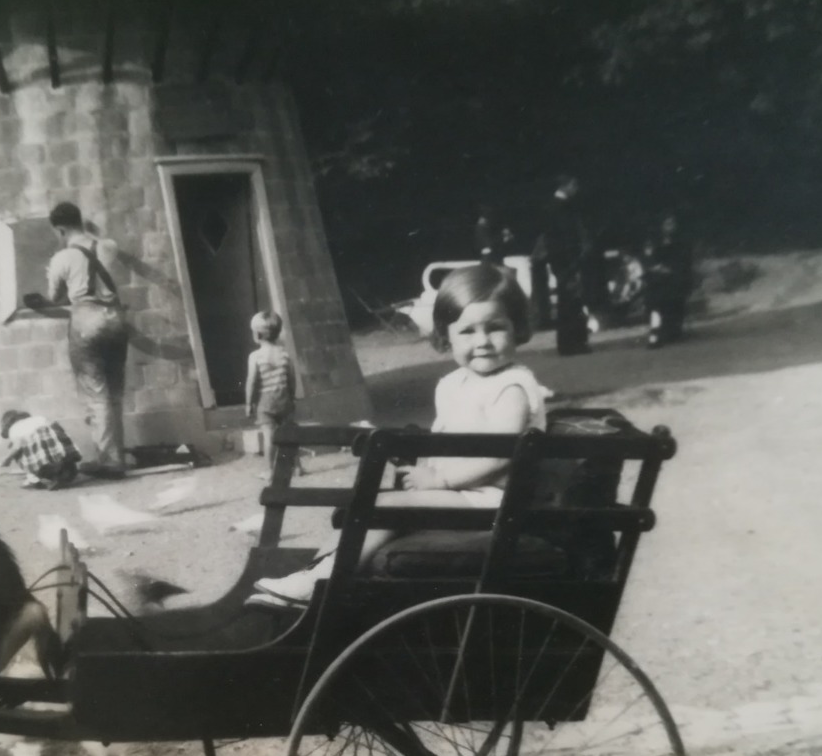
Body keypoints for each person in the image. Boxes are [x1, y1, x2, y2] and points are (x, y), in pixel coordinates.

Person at [249, 263, 545, 609]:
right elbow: (446, 439)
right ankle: (318, 570)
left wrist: (440, 479)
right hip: (461, 495)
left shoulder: (512, 387)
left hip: (494, 502)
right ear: (445, 334)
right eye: (467, 331)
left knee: (389, 507)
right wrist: (422, 468)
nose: (482, 341)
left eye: (495, 328)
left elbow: (501, 453)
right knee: (371, 502)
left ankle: (323, 582)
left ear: (517, 329)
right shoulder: (454, 384)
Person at [22, 201, 129, 478]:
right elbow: (101, 249)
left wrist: (39, 301)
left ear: (59, 229)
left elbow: (57, 297)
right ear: (81, 221)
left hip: (87, 320)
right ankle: (118, 455)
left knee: (96, 394)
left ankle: (110, 461)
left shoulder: (62, 258)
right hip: (116, 319)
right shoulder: (109, 246)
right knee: (115, 392)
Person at [537, 174, 596, 356]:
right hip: (567, 260)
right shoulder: (561, 207)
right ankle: (573, 343)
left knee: (569, 302)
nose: (576, 189)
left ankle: (570, 343)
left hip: (562, 260)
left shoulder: (553, 206)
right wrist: (575, 259)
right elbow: (565, 238)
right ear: (568, 185)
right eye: (574, 185)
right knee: (570, 302)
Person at [244, 311, 303, 481]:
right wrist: (291, 396)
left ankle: (269, 470)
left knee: (269, 437)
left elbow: (252, 382)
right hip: (284, 399)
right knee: (290, 435)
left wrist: (249, 404)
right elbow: (291, 378)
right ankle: (298, 467)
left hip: (266, 402)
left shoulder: (255, 356)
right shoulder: (284, 354)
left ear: (257, 334)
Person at [643, 213, 695, 349]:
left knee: (673, 292)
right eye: (667, 224)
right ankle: (657, 328)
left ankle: (673, 328)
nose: (670, 227)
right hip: (659, 276)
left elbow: (684, 259)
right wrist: (656, 267)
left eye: (672, 223)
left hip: (676, 275)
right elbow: (649, 258)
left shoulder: (681, 240)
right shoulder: (655, 241)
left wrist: (671, 268)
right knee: (654, 294)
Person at [0, 408, 82, 489]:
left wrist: (6, 461)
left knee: (17, 450)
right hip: (61, 451)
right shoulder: (39, 419)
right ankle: (66, 471)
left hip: (42, 459)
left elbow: (16, 447)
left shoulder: (14, 429)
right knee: (52, 439)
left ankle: (34, 479)